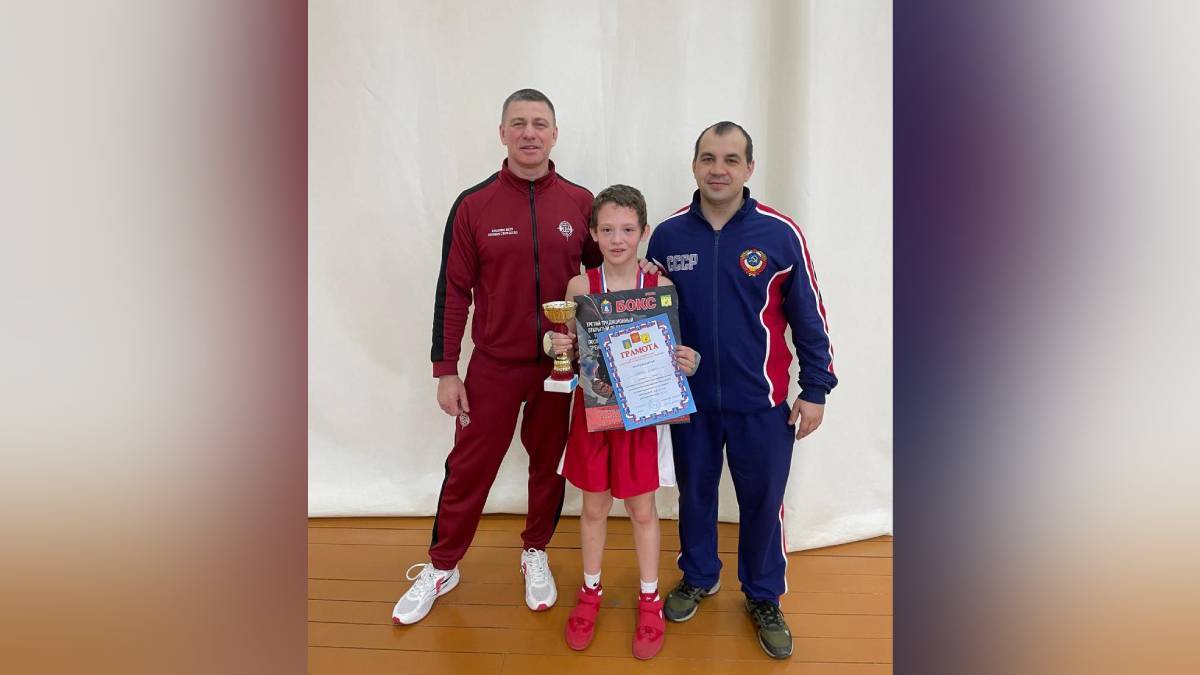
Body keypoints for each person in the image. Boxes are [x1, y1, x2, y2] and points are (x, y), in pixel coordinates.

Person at [391, 88, 604, 625]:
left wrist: (646, 280)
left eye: (540, 123)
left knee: (548, 465)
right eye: (519, 123)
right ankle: (443, 565)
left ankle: (535, 551)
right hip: (493, 365)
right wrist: (446, 370)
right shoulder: (474, 205)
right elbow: (453, 291)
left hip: (559, 366)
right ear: (503, 132)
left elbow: (605, 274)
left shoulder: (580, 203)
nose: (529, 132)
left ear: (555, 134)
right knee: (469, 466)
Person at [645, 122, 837, 659]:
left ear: (749, 168)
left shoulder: (780, 234)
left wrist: (816, 388)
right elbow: (643, 314)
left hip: (763, 404)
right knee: (695, 494)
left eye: (731, 159)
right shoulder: (667, 237)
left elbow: (809, 317)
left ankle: (763, 595)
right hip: (689, 402)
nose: (718, 169)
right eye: (708, 158)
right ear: (694, 165)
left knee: (763, 501)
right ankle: (699, 575)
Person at [548, 185, 699, 660]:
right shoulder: (579, 288)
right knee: (593, 508)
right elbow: (566, 350)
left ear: (643, 232)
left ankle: (649, 598)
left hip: (642, 418)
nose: (618, 239)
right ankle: (590, 591)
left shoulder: (660, 287)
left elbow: (674, 354)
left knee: (641, 510)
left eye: (628, 230)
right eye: (608, 229)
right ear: (593, 233)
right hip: (593, 415)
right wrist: (556, 347)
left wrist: (687, 361)